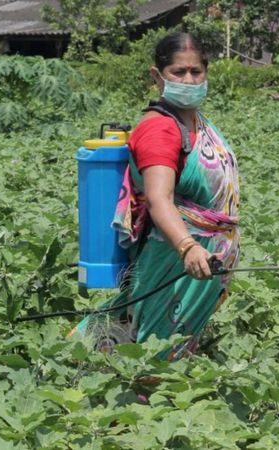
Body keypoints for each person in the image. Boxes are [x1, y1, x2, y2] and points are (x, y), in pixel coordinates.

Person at [69, 32, 240, 361]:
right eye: (178, 72)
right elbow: (159, 198)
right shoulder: (159, 129)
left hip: (201, 265)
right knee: (153, 350)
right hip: (173, 260)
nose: (188, 80)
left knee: (162, 344)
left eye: (196, 71)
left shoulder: (197, 123)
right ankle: (84, 375)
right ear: (157, 76)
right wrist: (188, 247)